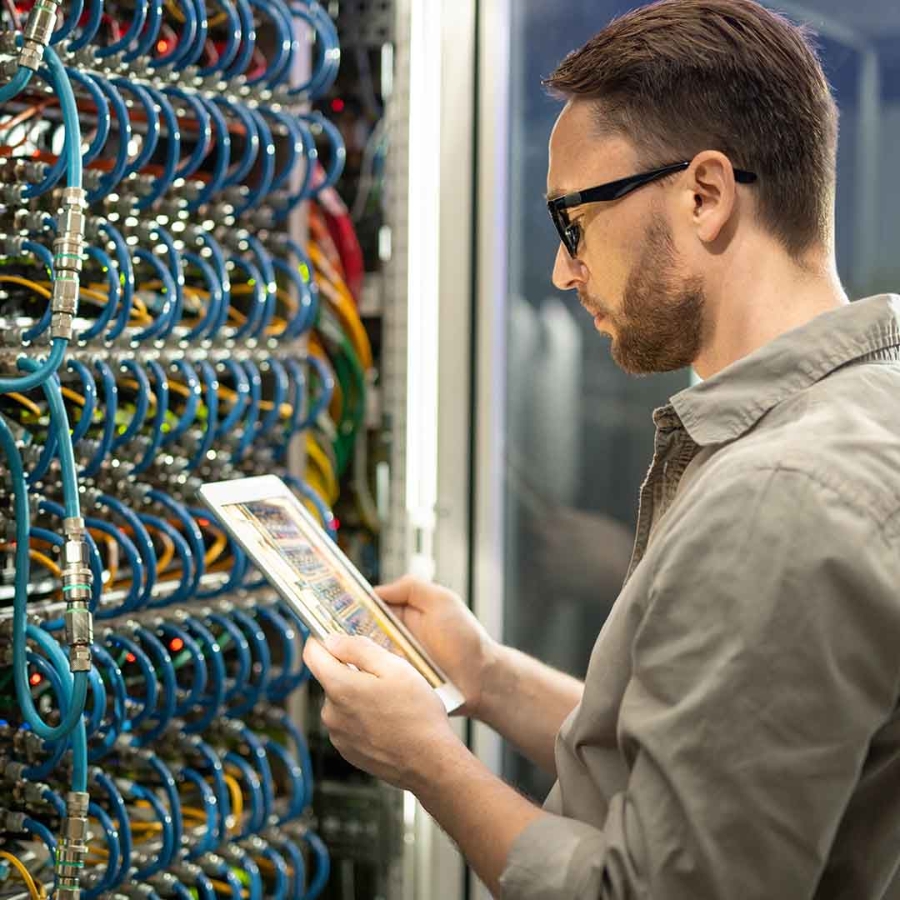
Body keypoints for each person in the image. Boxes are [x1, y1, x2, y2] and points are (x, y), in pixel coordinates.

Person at [303, 0, 900, 896]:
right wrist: (488, 677)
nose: (562, 269)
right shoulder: (862, 409)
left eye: (573, 220)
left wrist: (427, 761)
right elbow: (705, 766)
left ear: (704, 195)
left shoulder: (780, 493)